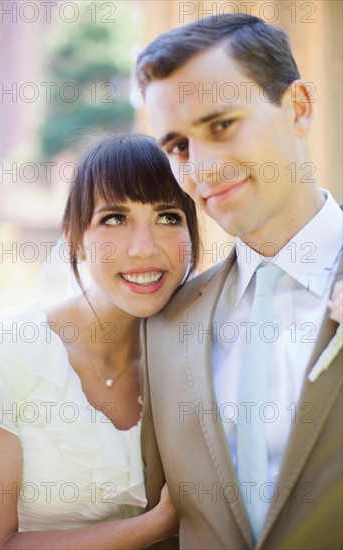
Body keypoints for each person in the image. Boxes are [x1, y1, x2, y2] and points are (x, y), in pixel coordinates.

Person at [136, 13, 343, 550]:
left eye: (221, 125)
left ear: (297, 106)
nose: (201, 167)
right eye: (179, 146)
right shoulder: (165, 324)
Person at [0, 134, 200, 549]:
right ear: (75, 237)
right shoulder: (5, 353)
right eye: (114, 219)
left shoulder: (199, 353)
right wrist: (158, 524)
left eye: (168, 217)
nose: (144, 248)